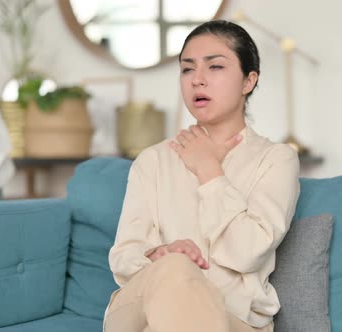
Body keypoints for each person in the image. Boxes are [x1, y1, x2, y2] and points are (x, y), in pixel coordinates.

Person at [103, 20, 300, 332]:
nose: (198, 80)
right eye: (187, 69)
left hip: (233, 320)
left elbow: (247, 252)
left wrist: (210, 171)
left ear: (248, 81)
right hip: (142, 311)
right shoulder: (153, 161)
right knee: (175, 270)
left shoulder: (276, 160)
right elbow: (124, 257)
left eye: (215, 67)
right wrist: (159, 256)